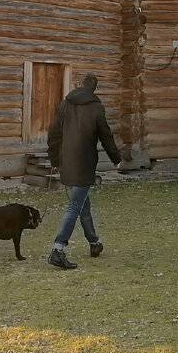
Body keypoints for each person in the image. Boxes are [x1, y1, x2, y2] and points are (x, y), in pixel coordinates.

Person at [46, 73, 122, 270]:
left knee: (81, 203)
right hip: (84, 163)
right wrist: (116, 159)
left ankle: (94, 243)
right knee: (74, 207)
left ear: (80, 85)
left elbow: (53, 133)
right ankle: (58, 249)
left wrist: (55, 159)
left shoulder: (64, 105)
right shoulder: (96, 108)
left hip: (66, 162)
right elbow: (106, 135)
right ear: (94, 89)